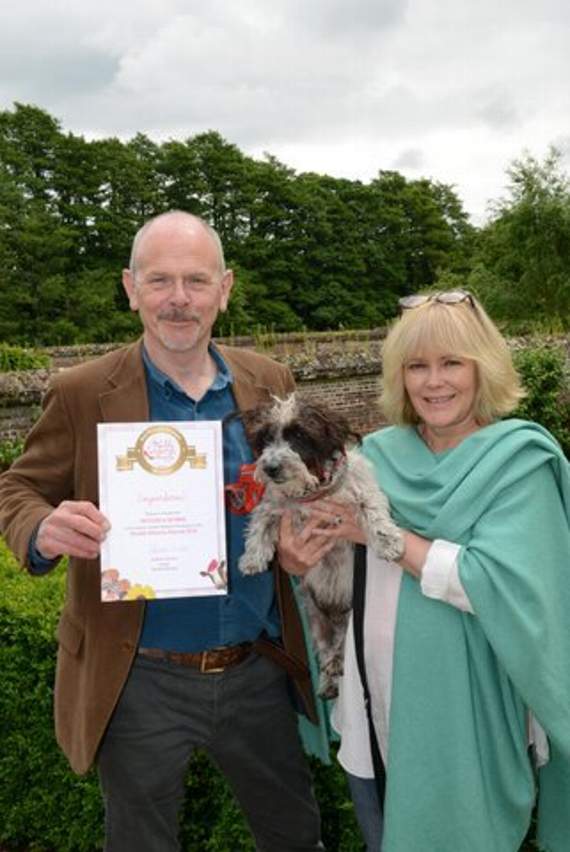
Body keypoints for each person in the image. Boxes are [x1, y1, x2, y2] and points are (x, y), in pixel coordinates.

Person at [0, 211, 326, 852]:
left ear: (225, 289)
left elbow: (307, 484)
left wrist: (304, 530)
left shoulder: (269, 381)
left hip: (258, 668)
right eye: (160, 281)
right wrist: (41, 528)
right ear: (130, 288)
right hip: (139, 679)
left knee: (295, 836)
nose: (179, 299)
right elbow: (17, 487)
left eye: (197, 281)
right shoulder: (82, 390)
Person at [278, 290, 570, 851]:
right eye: (417, 366)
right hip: (373, 710)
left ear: (483, 367)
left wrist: (380, 537)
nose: (434, 382)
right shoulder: (375, 457)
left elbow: (491, 585)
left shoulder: (519, 462)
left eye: (452, 363)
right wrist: (298, 559)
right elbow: (328, 571)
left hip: (470, 721)